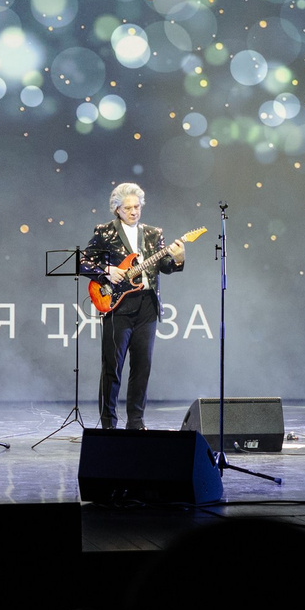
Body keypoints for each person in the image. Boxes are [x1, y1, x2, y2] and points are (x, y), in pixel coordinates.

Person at [80, 181, 185, 429]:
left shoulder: (153, 233)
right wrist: (107, 270)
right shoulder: (105, 232)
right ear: (117, 209)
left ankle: (136, 421)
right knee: (112, 366)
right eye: (128, 208)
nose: (134, 212)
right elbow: (83, 262)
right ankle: (108, 423)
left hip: (147, 304)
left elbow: (165, 267)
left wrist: (179, 259)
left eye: (137, 207)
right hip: (118, 305)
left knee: (142, 366)